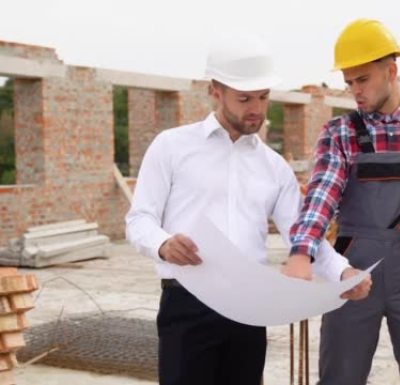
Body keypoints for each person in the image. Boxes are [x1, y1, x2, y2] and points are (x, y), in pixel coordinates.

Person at [125, 33, 370, 385]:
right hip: (188, 303)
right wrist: (162, 243)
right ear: (215, 91)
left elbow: (302, 234)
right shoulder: (172, 147)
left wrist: (344, 273)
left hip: (249, 309)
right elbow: (139, 219)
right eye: (244, 98)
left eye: (263, 97)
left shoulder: (274, 167)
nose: (255, 108)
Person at [283, 19, 400, 385]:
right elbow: (320, 196)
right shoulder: (339, 133)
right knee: (340, 377)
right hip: (352, 276)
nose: (355, 91)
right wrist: (301, 253)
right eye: (349, 82)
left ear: (391, 71)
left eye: (362, 79)